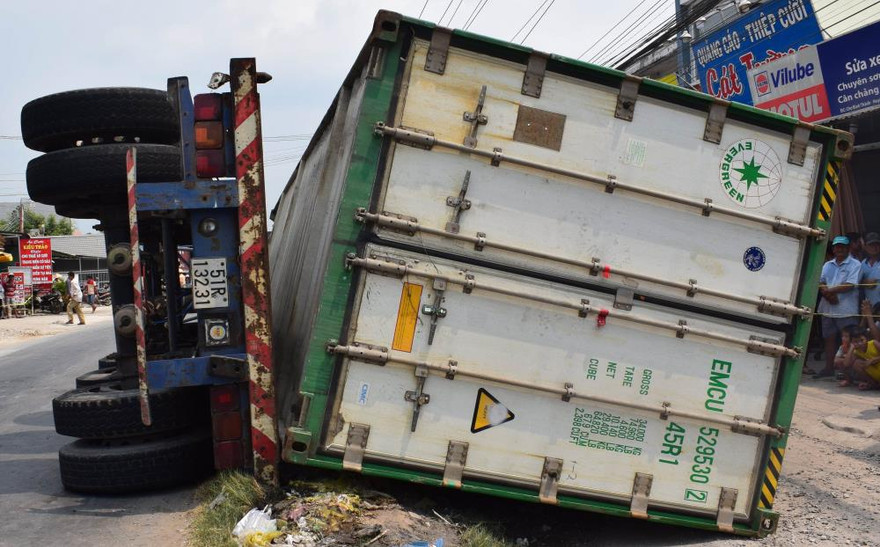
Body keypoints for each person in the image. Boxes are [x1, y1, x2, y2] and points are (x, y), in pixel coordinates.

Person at [813, 235, 861, 378]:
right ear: (833, 249)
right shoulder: (827, 265)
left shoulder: (855, 264)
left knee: (849, 341)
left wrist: (830, 291)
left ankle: (848, 372)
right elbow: (820, 281)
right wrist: (828, 294)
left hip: (846, 309)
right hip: (828, 308)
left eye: (842, 246)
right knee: (829, 339)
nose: (839, 249)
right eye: (837, 246)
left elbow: (850, 284)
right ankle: (828, 368)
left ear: (848, 248)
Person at [861, 232, 880, 309]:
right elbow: (856, 282)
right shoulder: (863, 263)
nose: (874, 247)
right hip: (869, 307)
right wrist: (864, 282)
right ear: (865, 247)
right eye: (871, 245)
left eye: (877, 244)